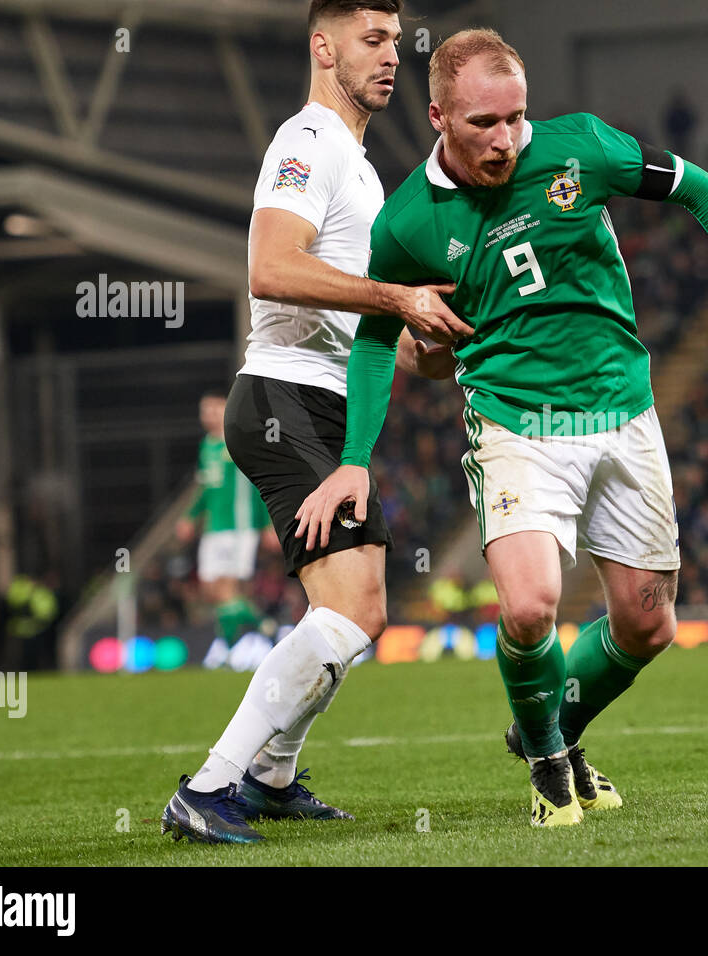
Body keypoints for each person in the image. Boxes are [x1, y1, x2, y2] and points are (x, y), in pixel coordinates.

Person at [296, 28, 708, 827]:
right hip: (516, 422)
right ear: (439, 115)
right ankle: (550, 765)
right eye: (485, 123)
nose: (508, 139)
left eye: (517, 117)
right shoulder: (406, 224)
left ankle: (549, 727)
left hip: (622, 410)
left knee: (648, 623)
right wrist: (354, 458)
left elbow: (698, 188)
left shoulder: (582, 146)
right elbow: (380, 335)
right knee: (529, 607)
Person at [161, 0, 471, 845]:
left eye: (396, 43)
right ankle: (212, 785)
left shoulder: (365, 172)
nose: (389, 57)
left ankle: (269, 776)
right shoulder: (306, 143)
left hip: (322, 403)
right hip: (281, 397)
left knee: (358, 605)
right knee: (355, 604)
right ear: (321, 45)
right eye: (371, 40)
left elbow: (376, 332)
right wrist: (394, 295)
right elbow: (270, 268)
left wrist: (432, 340)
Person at [175, 392, 273, 655]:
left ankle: (228, 649)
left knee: (228, 587)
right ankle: (262, 624)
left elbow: (257, 483)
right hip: (213, 528)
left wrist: (266, 524)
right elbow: (205, 487)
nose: (208, 416)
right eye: (204, 411)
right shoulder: (207, 445)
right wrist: (190, 517)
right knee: (210, 590)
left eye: (214, 410)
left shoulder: (239, 441)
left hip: (239, 527)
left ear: (226, 410)